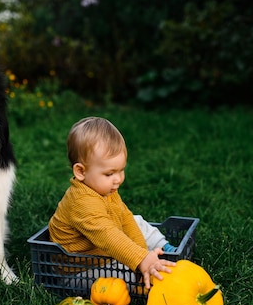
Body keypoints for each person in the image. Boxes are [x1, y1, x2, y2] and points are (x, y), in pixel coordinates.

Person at [48, 116, 176, 289]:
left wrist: (142, 252)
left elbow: (125, 219)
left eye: (121, 170)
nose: (118, 179)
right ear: (80, 171)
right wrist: (139, 259)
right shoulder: (81, 202)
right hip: (80, 271)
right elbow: (107, 235)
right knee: (128, 272)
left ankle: (166, 249)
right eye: (109, 174)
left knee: (136, 221)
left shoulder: (105, 190)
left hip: (102, 254)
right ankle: (150, 273)